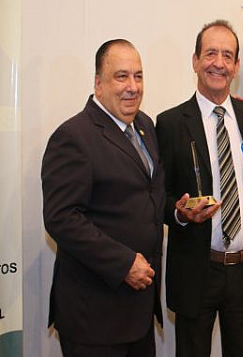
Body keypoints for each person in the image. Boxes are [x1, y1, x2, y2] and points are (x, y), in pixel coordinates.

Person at [42, 39, 165, 356]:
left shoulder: (145, 126)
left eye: (138, 76)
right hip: (95, 318)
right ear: (98, 83)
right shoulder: (73, 137)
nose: (132, 87)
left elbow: (146, 197)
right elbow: (62, 218)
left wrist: (178, 212)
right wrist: (124, 263)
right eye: (121, 76)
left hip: (138, 312)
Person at [156, 20, 243, 356]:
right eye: (210, 53)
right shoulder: (171, 123)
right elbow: (158, 197)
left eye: (227, 56)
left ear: (235, 67)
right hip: (196, 270)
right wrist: (179, 213)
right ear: (195, 61)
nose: (218, 62)